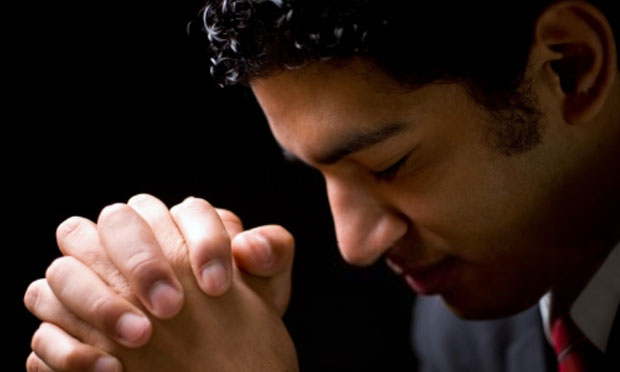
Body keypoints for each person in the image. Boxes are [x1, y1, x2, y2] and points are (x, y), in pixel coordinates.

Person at [24, 0, 619, 371]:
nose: (354, 245)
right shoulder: (462, 330)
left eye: (389, 164)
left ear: (569, 67)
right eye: (315, 173)